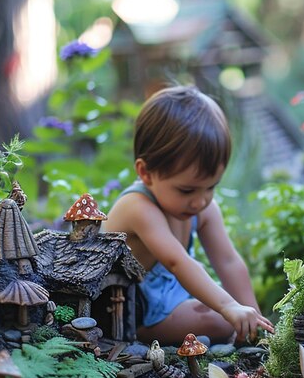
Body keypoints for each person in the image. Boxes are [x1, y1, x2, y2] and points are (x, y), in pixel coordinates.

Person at [103, 85, 274, 345]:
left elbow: (228, 261)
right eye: (187, 190)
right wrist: (228, 306)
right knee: (220, 321)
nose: (201, 200)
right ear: (146, 173)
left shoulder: (202, 207)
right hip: (134, 311)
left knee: (228, 318)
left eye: (211, 187)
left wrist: (253, 317)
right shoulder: (137, 207)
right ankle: (138, 339)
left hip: (173, 299)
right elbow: (177, 262)